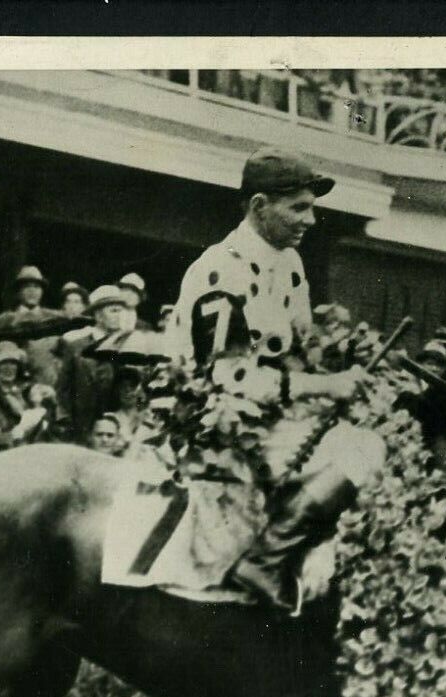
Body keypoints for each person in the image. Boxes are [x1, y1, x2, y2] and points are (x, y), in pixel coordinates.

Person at [163, 145, 379, 609]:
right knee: (365, 450)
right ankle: (264, 561)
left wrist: (341, 353)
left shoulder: (290, 262)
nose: (311, 220)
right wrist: (326, 386)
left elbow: (299, 348)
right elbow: (228, 379)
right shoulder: (222, 270)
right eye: (298, 208)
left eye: (312, 208)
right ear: (259, 207)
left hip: (267, 407)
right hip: (213, 419)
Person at [55, 284, 128, 439]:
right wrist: (65, 421)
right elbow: (63, 390)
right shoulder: (75, 347)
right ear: (98, 315)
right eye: (113, 310)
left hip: (114, 433)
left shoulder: (127, 348)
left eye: (121, 311)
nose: (119, 315)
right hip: (80, 429)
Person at [0, 264, 62, 387]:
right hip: (16, 384)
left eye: (36, 287)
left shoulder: (55, 319)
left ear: (42, 291)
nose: (32, 291)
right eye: (27, 287)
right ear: (18, 292)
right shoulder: (6, 319)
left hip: (47, 384)